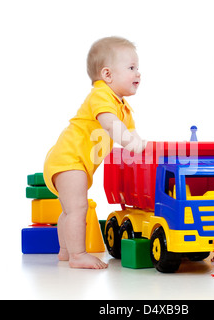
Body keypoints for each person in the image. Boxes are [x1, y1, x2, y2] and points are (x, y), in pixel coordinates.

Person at [43, 36, 146, 269]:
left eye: (138, 68)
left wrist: (143, 147)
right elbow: (111, 125)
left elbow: (132, 135)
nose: (138, 73)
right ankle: (78, 255)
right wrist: (131, 143)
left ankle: (65, 250)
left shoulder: (124, 107)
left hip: (72, 161)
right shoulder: (101, 95)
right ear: (107, 75)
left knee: (69, 209)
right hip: (69, 158)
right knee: (78, 208)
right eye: (131, 68)